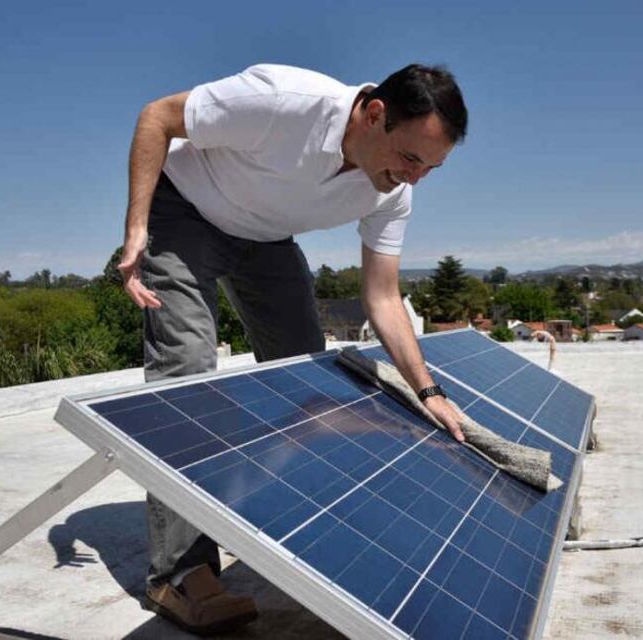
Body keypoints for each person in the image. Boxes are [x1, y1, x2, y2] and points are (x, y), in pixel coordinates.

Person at [117, 63, 468, 635]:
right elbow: (157, 117)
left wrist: (428, 391)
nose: (414, 178)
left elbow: (382, 298)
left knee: (310, 384)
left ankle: (304, 528)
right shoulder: (284, 101)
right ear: (374, 114)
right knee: (188, 374)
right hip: (185, 214)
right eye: (411, 158)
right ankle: (180, 574)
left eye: (432, 167)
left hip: (266, 239)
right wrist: (137, 228)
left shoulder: (392, 192)